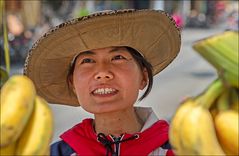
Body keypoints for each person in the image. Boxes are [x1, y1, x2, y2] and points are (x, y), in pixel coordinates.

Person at [24, 9, 181, 156]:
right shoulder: (56, 153)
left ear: (144, 77)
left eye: (117, 57)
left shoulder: (180, 149)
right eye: (87, 60)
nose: (102, 73)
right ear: (72, 83)